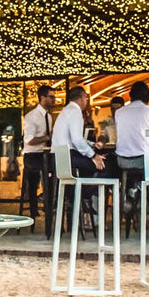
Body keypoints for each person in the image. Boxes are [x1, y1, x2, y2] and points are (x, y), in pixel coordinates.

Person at [114, 82, 149, 215]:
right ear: (147, 96)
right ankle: (144, 199)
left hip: (122, 161)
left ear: (131, 96)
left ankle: (132, 192)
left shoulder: (119, 112)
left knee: (130, 172)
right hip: (144, 161)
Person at [51, 85, 108, 179]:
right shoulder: (75, 112)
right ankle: (86, 193)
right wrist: (94, 155)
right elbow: (77, 140)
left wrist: (92, 144)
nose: (86, 100)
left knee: (92, 165)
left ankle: (83, 191)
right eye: (86, 98)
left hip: (59, 157)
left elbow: (74, 138)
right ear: (82, 98)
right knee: (106, 165)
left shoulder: (66, 111)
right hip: (69, 158)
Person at [20, 85, 54, 221]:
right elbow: (28, 140)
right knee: (45, 170)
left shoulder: (49, 117)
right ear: (42, 98)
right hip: (32, 155)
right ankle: (40, 201)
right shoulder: (31, 116)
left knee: (56, 166)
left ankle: (49, 198)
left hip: (45, 153)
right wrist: (48, 137)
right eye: (51, 97)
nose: (54, 100)